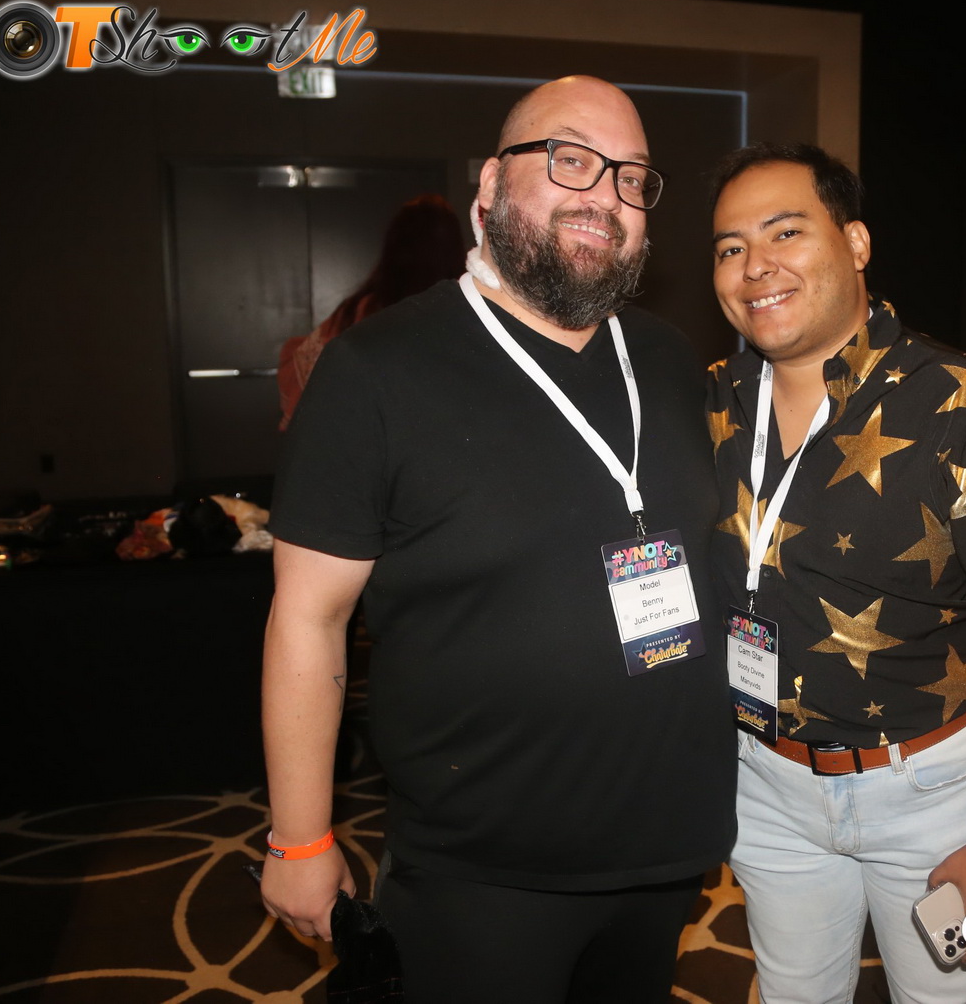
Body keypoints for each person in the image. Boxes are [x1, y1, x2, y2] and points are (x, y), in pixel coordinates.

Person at [260, 75, 735, 1003]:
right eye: (570, 159)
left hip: (666, 851)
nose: (604, 194)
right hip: (481, 872)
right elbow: (307, 619)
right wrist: (301, 836)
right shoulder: (375, 370)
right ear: (489, 184)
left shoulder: (671, 359)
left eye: (631, 177)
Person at [705, 144, 966, 1003]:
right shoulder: (715, 400)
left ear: (857, 242)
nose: (755, 265)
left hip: (932, 792)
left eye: (786, 232)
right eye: (730, 247)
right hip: (766, 782)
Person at [276, 193, 466, 429]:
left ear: (395, 246)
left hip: (371, 436)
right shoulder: (465, 311)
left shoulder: (363, 310)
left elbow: (306, 368)